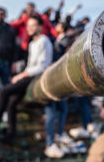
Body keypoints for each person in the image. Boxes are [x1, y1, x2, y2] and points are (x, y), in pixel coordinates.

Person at [0, 15, 53, 141]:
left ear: (40, 26)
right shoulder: (32, 43)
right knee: (12, 102)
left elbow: (42, 67)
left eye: (33, 25)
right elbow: (30, 65)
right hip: (29, 75)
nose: (30, 28)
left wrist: (22, 75)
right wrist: (20, 76)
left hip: (36, 77)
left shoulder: (44, 41)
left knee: (4, 91)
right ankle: (11, 133)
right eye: (28, 26)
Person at [44, 22, 74, 158]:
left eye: (59, 25)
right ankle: (50, 143)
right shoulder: (51, 39)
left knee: (62, 108)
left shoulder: (64, 40)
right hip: (50, 78)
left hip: (58, 78)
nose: (55, 26)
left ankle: (59, 134)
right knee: (51, 111)